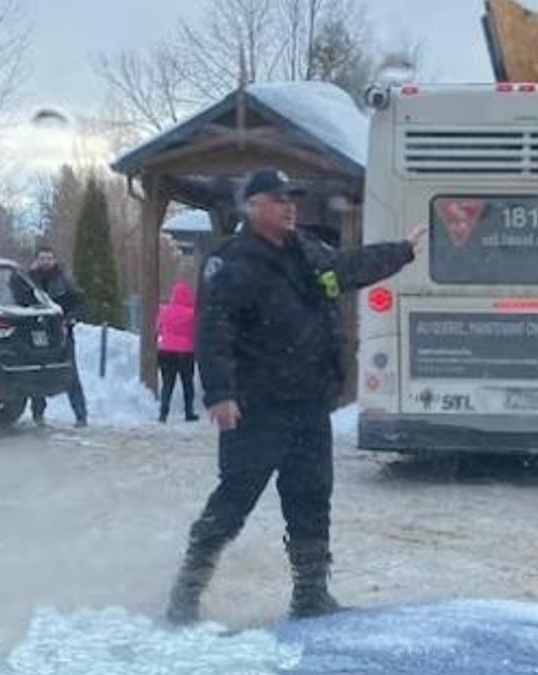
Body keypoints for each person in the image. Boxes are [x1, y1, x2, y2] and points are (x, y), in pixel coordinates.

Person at [165, 168, 426, 624]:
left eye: (292, 198)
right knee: (234, 501)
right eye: (277, 198)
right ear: (252, 206)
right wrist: (220, 393)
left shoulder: (305, 251)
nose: (289, 206)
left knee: (311, 499)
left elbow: (346, 268)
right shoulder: (231, 262)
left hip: (308, 404)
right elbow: (213, 331)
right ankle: (185, 595)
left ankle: (310, 595)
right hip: (256, 407)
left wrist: (401, 252)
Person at [28, 246, 89, 429]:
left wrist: (71, 318)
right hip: (37, 332)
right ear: (37, 260)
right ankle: (38, 414)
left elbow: (79, 301)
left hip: (61, 332)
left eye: (48, 258)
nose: (45, 262)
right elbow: (18, 298)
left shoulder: (64, 279)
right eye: (42, 258)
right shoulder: (29, 280)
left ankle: (81, 415)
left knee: (70, 373)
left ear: (54, 260)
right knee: (36, 373)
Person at [156, 279, 198, 423]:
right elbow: (195, 332)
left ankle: (163, 412)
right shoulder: (192, 314)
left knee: (167, 383)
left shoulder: (164, 311)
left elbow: (159, 329)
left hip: (165, 351)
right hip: (185, 352)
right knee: (187, 383)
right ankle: (189, 411)